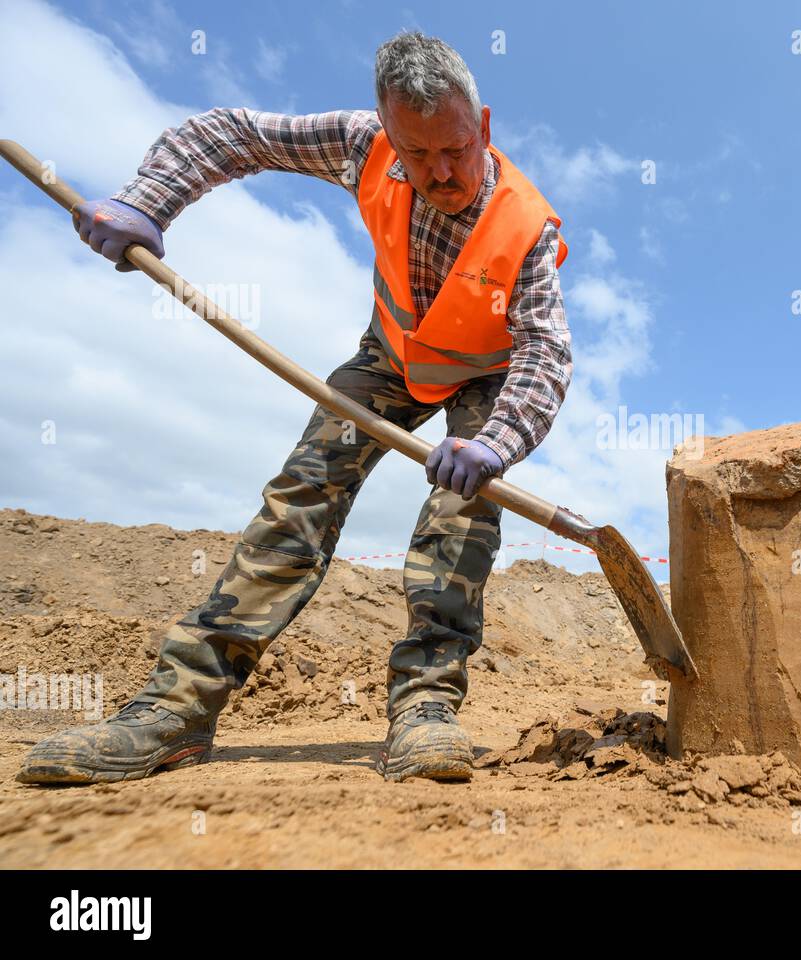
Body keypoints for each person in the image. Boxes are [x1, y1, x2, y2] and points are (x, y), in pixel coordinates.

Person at [17, 31, 570, 786]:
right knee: (299, 499)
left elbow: (546, 354)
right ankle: (174, 711)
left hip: (487, 378)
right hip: (392, 357)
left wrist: (497, 443)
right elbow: (232, 134)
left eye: (457, 150)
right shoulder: (361, 143)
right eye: (418, 155)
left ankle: (426, 709)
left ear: (486, 127)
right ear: (389, 134)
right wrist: (149, 199)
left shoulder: (525, 228)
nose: (441, 173)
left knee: (461, 514)